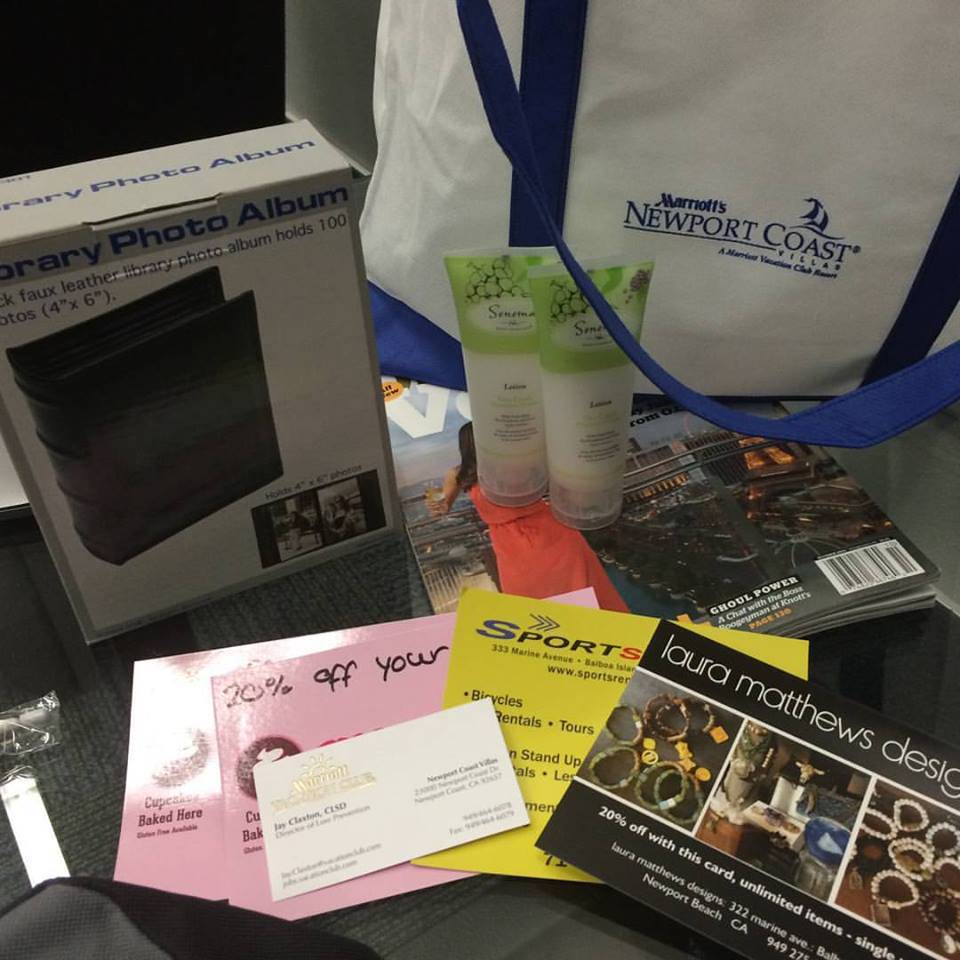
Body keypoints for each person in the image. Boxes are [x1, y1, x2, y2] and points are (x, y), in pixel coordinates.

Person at [432, 423, 628, 612]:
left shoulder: (517, 461)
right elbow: (442, 507)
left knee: (586, 591)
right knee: (531, 607)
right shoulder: (457, 474)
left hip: (553, 534)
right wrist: (438, 505)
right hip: (511, 548)